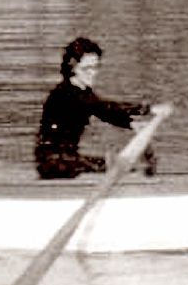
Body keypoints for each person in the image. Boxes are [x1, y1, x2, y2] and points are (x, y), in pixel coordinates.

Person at [35, 37, 156, 179]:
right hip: (54, 162)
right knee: (118, 165)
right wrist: (147, 109)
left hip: (67, 159)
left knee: (116, 164)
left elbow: (105, 113)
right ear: (72, 67)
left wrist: (131, 124)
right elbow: (103, 107)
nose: (93, 73)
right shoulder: (65, 94)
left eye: (95, 67)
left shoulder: (82, 92)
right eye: (87, 68)